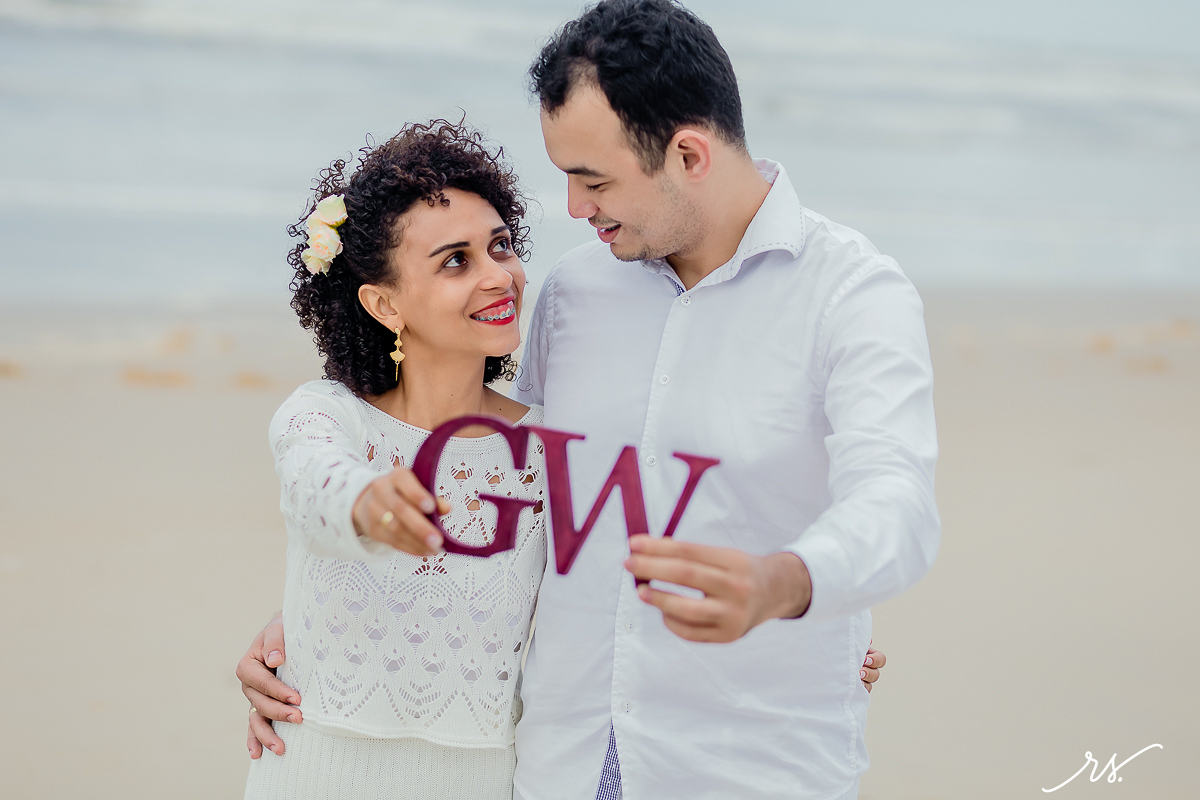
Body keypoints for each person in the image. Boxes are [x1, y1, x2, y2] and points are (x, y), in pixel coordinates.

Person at [241, 1, 925, 797]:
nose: (572, 207)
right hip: (559, 761)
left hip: (740, 766)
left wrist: (796, 584)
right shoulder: (575, 291)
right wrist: (316, 625)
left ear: (688, 155)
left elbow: (897, 506)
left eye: (593, 180)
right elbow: (529, 520)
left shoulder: (852, 296)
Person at [240, 120, 550, 799]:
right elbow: (314, 485)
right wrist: (368, 504)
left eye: (500, 245)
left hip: (483, 781)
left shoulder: (548, 450)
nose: (499, 276)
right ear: (384, 304)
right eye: (455, 261)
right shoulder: (327, 415)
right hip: (312, 769)